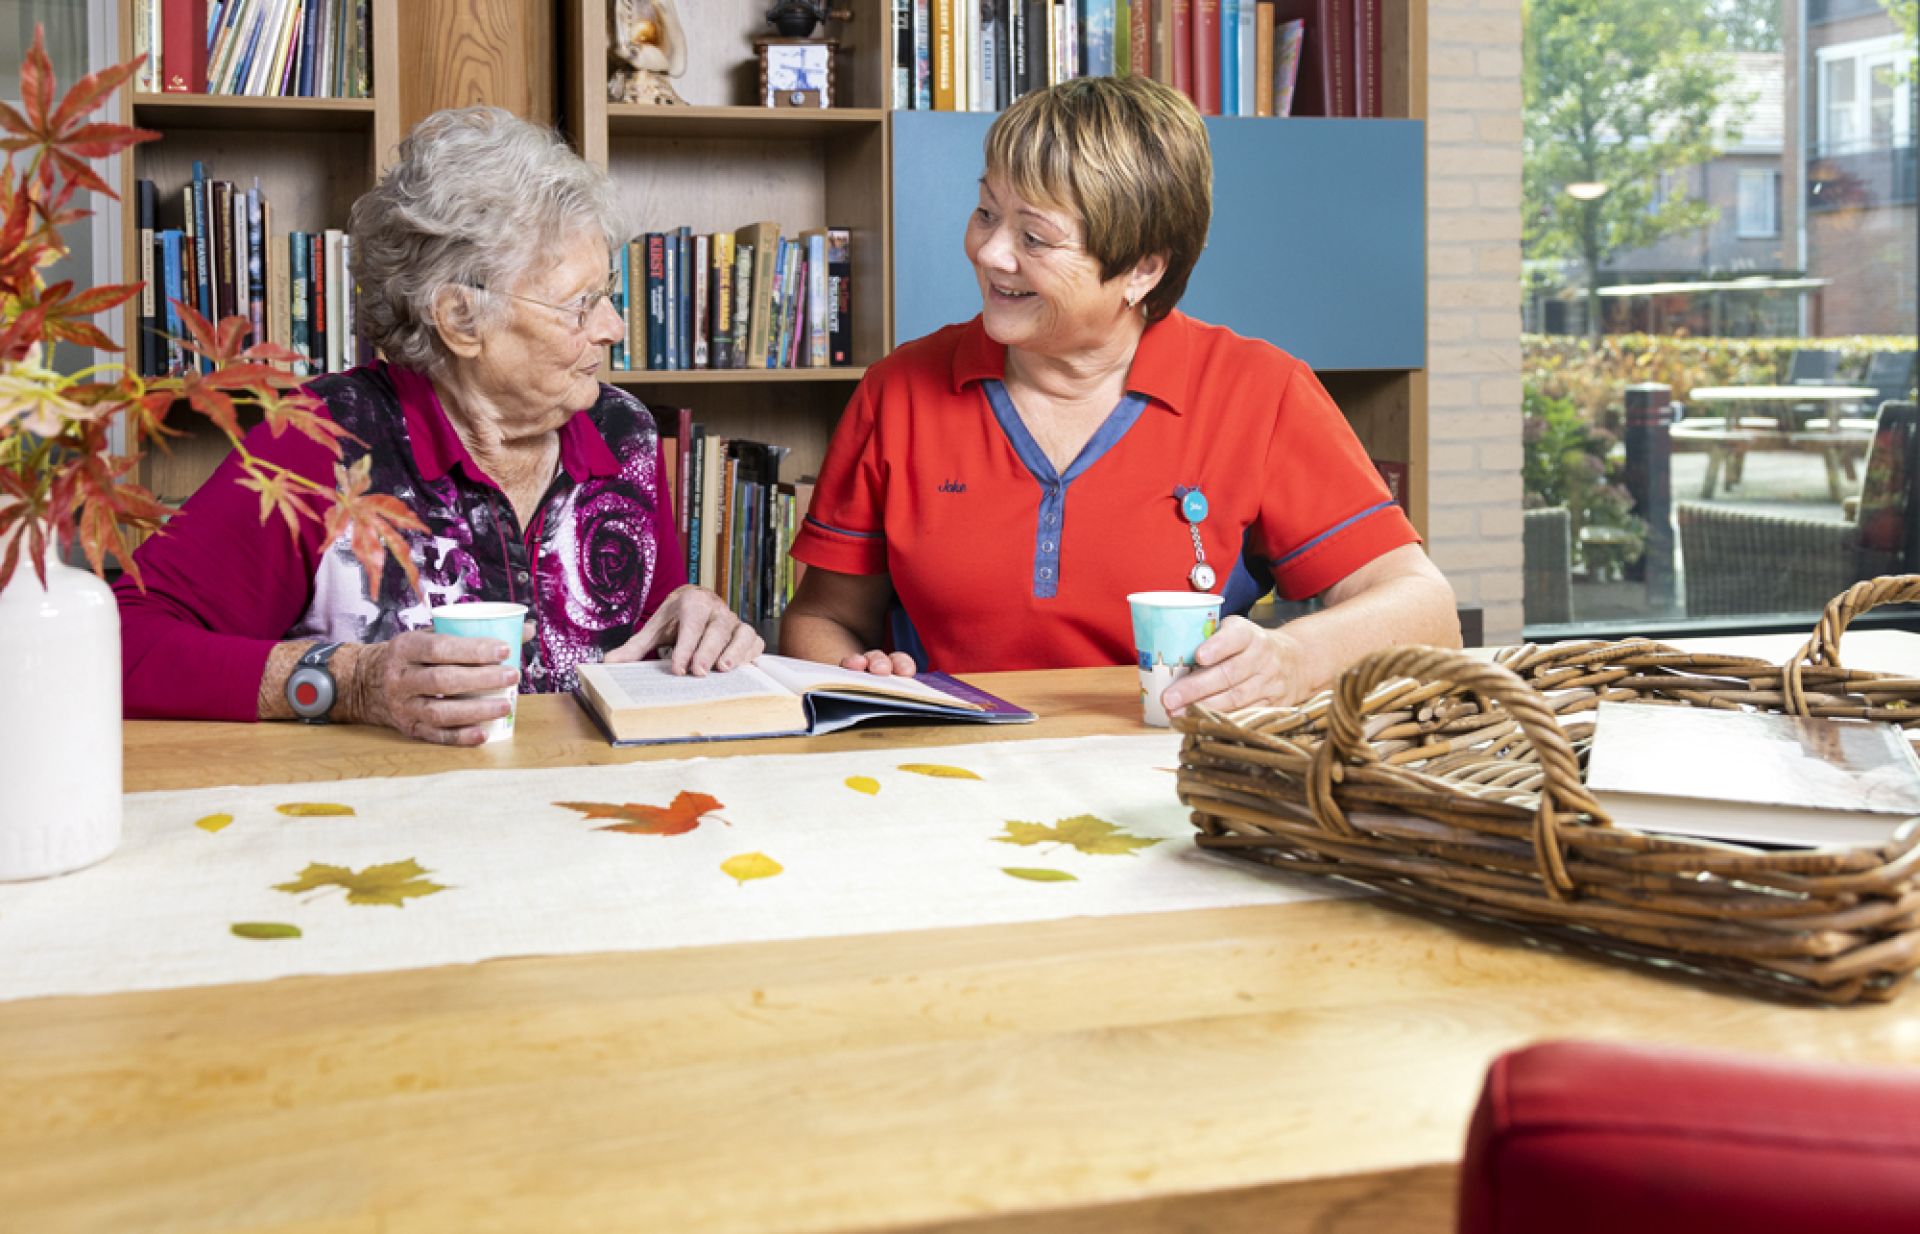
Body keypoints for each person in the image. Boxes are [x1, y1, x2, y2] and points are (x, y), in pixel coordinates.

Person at [781, 75, 1458, 715]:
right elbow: (822, 617)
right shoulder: (898, 390)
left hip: (1171, 777)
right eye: (986, 211)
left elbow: (1425, 609)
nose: (989, 252)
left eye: (1035, 236)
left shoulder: (1261, 391)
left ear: (1142, 268)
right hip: (952, 769)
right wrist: (858, 674)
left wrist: (1290, 658)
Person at [116, 106, 761, 745]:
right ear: (459, 318)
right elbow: (122, 643)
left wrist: (693, 617)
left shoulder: (623, 432)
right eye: (579, 305)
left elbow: (653, 656)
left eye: (609, 294)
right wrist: (353, 681)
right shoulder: (323, 440)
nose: (613, 328)